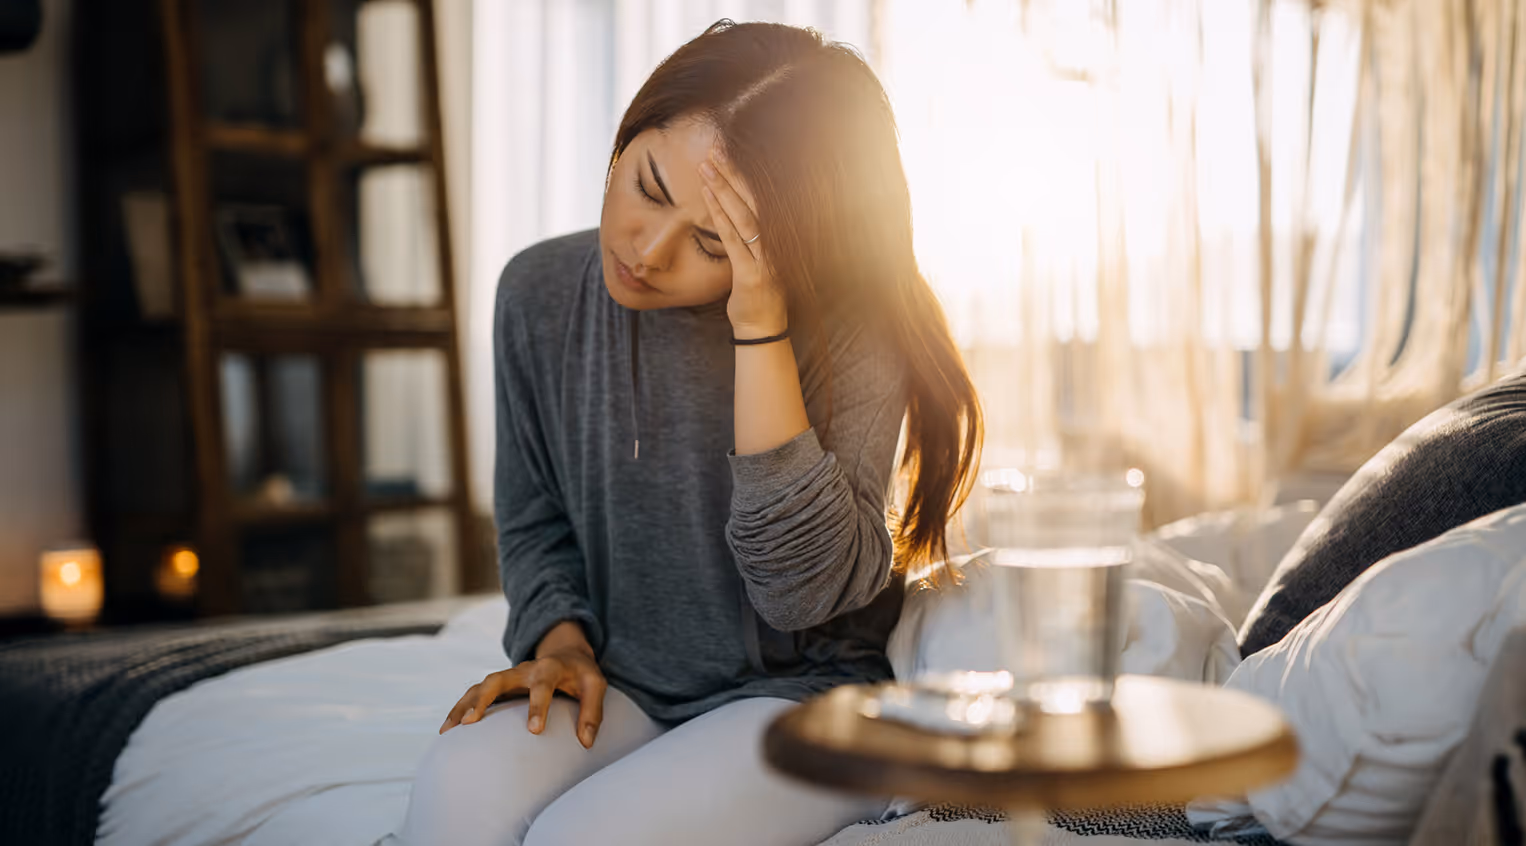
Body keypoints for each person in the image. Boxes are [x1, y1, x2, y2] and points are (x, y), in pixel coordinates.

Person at [394, 20, 983, 846]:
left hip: (807, 696)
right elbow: (534, 521)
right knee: (455, 799)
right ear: (630, 132)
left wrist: (760, 327)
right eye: (648, 186)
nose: (647, 249)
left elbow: (801, 594)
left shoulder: (852, 330)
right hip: (623, 682)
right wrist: (560, 643)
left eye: (713, 243)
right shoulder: (534, 292)